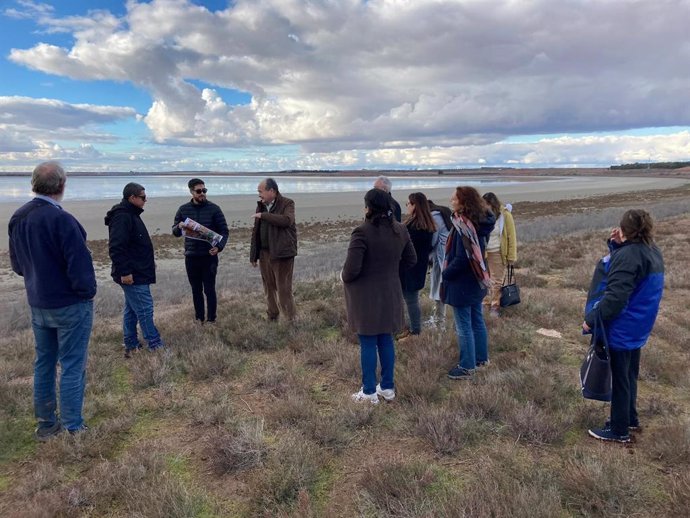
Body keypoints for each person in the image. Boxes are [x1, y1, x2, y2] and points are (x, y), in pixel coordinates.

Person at [8, 161, 96, 440]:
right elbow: (80, 267)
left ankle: (46, 424)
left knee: (44, 363)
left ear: (33, 185)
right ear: (61, 185)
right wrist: (86, 292)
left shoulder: (18, 217)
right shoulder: (62, 219)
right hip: (69, 304)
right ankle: (72, 427)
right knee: (72, 364)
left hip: (39, 302)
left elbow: (18, 266)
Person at [584, 209, 664, 443]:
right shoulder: (652, 250)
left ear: (624, 229)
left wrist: (591, 320)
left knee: (620, 377)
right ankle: (629, 418)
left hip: (624, 326)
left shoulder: (630, 255)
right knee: (629, 374)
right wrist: (617, 246)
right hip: (639, 325)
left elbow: (615, 298)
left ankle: (619, 430)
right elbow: (630, 276)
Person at [343, 189, 417, 403]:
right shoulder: (400, 230)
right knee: (386, 339)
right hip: (390, 293)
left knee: (367, 342)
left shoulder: (361, 232)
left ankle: (368, 392)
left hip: (366, 297)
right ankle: (387, 387)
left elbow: (351, 270)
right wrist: (391, 271)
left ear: (369, 208)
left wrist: (343, 276)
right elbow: (411, 260)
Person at [105, 182, 164, 357]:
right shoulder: (123, 216)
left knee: (131, 309)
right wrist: (125, 272)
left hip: (139, 271)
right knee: (145, 308)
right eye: (143, 197)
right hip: (133, 274)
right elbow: (116, 247)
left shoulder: (131, 214)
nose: (146, 200)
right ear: (132, 198)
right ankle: (155, 345)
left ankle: (131, 345)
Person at [442, 186, 495, 379]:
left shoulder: (463, 226)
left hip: (462, 283)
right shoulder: (479, 222)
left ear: (464, 203)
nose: (451, 200)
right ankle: (481, 359)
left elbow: (462, 259)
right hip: (477, 279)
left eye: (455, 198)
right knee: (477, 321)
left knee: (464, 326)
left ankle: (467, 366)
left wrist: (445, 273)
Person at [172, 179, 229, 324]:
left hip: (209, 256)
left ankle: (211, 319)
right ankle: (199, 319)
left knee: (209, 289)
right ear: (191, 192)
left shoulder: (214, 209)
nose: (202, 193)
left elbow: (224, 231)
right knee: (196, 290)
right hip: (191, 257)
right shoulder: (183, 209)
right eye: (199, 191)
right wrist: (179, 227)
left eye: (204, 190)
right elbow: (175, 232)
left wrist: (219, 247)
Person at [250, 178, 298, 321]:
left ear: (272, 191)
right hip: (264, 253)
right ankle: (272, 316)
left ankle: (291, 320)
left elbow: (286, 221)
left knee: (283, 289)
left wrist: (264, 216)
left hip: (283, 254)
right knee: (268, 287)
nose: (259, 195)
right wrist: (253, 255)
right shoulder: (261, 205)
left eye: (261, 191)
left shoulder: (287, 203)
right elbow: (256, 232)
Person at [399, 192, 436, 337]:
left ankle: (415, 330)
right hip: (419, 266)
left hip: (409, 268)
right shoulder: (427, 223)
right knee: (410, 299)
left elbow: (404, 247)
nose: (407, 206)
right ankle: (411, 328)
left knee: (410, 300)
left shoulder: (414, 226)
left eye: (408, 203)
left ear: (415, 205)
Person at [482, 192, 517, 317]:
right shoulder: (482, 216)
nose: (484, 207)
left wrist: (511, 256)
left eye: (486, 204)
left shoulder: (505, 215)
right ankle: (485, 303)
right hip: (483, 253)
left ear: (492, 204)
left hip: (498, 252)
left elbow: (511, 237)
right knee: (484, 280)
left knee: (496, 280)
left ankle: (495, 305)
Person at [427, 199, 452, 327]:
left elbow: (433, 239)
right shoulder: (445, 213)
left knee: (439, 289)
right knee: (441, 288)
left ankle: (439, 321)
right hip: (448, 254)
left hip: (440, 256)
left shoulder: (434, 217)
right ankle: (439, 319)